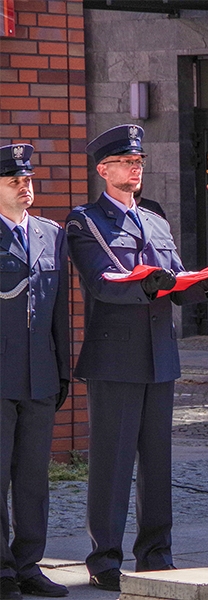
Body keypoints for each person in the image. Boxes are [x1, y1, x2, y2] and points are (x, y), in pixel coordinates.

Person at [65, 124, 208, 592]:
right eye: (125, 162)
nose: (135, 167)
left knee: (158, 464)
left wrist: (206, 282)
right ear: (104, 169)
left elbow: (177, 285)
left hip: (161, 357)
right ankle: (104, 559)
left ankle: (157, 555)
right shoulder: (85, 221)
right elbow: (103, 282)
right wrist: (148, 284)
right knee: (113, 463)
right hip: (115, 359)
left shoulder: (156, 219)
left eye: (138, 161)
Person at [0, 144, 69, 599]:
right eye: (14, 182)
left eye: (28, 181)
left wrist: (61, 371)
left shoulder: (50, 233)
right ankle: (2, 571)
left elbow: (59, 310)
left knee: (32, 478)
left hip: (39, 375)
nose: (26, 188)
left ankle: (29, 565)